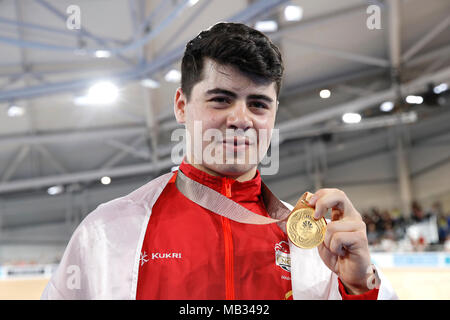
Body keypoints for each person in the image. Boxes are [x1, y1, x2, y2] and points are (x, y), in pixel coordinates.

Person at [41, 22, 397, 300]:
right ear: (181, 105)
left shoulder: (314, 247)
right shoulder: (107, 232)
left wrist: (360, 288)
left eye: (258, 103)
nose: (241, 119)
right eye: (221, 99)